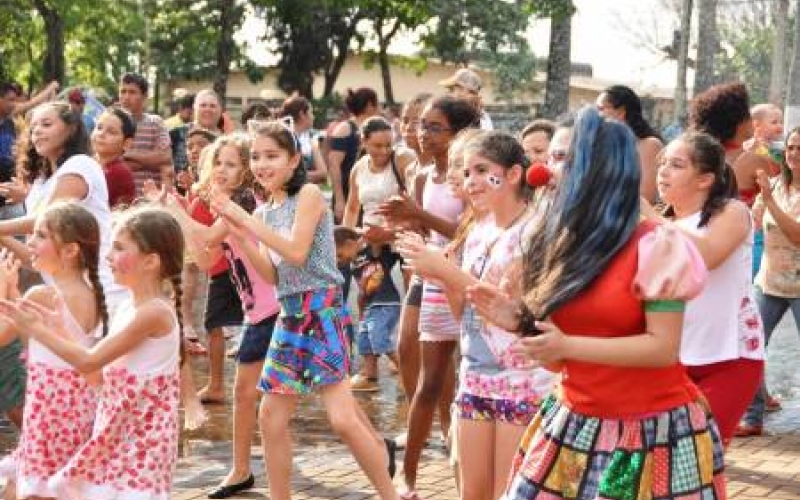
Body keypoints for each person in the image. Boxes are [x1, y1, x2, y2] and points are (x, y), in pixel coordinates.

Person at [467, 107, 725, 500]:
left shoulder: (656, 245)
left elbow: (662, 348)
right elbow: (557, 360)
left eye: (565, 159)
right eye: (550, 157)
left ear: (600, 169)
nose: (547, 172)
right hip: (574, 421)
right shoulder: (559, 243)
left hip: (649, 434)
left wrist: (568, 345)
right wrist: (521, 322)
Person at [211, 121, 399, 500]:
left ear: (294, 159)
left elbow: (297, 252)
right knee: (270, 416)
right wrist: (238, 231)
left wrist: (241, 217)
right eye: (256, 157)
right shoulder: (264, 213)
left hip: (324, 310)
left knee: (343, 420)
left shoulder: (310, 194)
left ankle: (390, 495)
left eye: (272, 156)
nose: (262, 164)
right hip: (290, 315)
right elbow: (272, 274)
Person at [397, 131, 555, 500]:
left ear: (514, 174)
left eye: (482, 170)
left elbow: (513, 310)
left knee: (508, 492)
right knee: (473, 493)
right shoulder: (478, 232)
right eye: (467, 172)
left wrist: (445, 269)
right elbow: (464, 313)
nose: (471, 182)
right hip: (475, 375)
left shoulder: (533, 231)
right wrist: (438, 273)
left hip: (522, 379)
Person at [0, 207, 184, 500]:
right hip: (116, 435)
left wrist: (37, 328)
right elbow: (95, 375)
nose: (109, 257)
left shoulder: (153, 313)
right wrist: (60, 329)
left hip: (141, 443)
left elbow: (89, 360)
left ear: (151, 261)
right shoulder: (127, 308)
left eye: (120, 248)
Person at [147, 133, 281, 498]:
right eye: (218, 162)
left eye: (232, 164)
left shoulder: (244, 201)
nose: (222, 169)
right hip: (259, 311)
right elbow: (207, 259)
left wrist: (175, 210)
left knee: (270, 396)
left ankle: (246, 470)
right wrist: (177, 212)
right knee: (248, 393)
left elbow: (206, 237)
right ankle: (240, 470)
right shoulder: (224, 204)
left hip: (275, 309)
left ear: (245, 171)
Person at [376, 96, 479, 497]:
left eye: (435, 127)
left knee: (463, 376)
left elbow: (465, 230)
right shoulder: (420, 175)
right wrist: (394, 230)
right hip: (430, 277)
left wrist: (416, 217)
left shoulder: (470, 175)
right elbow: (419, 231)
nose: (424, 133)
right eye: (422, 125)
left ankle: (459, 452)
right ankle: (410, 473)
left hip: (465, 277)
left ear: (458, 134)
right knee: (424, 374)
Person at [653, 130, 764, 447]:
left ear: (705, 179)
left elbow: (706, 256)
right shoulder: (658, 222)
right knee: (662, 456)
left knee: (699, 455)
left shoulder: (732, 211)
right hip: (671, 358)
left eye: (676, 164)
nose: (663, 171)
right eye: (663, 163)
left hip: (730, 357)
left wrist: (648, 217)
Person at [0, 202, 105, 500]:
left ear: (71, 250)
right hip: (79, 409)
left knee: (32, 490)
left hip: (49, 412)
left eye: (41, 236)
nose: (30, 242)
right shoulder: (92, 292)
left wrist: (3, 286)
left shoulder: (44, 295)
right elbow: (37, 334)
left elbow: (4, 335)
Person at [0, 101, 128, 311]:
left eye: (47, 124)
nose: (38, 131)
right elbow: (35, 259)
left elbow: (48, 220)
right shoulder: (42, 182)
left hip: (103, 289)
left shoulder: (80, 164)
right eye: (33, 128)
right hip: (68, 298)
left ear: (71, 129)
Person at [738, 126, 800, 436]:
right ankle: (752, 416)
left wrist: (769, 201)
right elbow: (751, 225)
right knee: (750, 346)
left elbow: (797, 236)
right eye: (791, 147)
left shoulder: (775, 192)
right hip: (769, 283)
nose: (794, 154)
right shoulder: (775, 185)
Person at [596, 84, 664, 203]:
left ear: (621, 112)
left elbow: (645, 196)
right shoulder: (603, 146)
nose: (596, 115)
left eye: (601, 109)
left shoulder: (649, 145)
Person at [328, 87, 380, 222]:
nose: (379, 108)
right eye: (377, 103)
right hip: (348, 194)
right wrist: (339, 200)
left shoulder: (376, 128)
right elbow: (334, 165)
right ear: (369, 105)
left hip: (369, 195)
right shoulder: (345, 128)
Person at [118, 73, 172, 194]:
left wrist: (128, 154)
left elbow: (165, 157)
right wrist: (151, 162)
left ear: (144, 96)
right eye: (123, 91)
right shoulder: (112, 124)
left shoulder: (156, 122)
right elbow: (109, 163)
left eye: (132, 92)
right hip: (119, 199)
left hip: (151, 199)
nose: (126, 97)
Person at [91, 106, 136, 208]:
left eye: (111, 132)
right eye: (99, 127)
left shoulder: (118, 172)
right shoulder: (88, 163)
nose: (101, 134)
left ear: (126, 144)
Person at [279, 94, 328, 184]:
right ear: (302, 114)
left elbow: (323, 175)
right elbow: (322, 174)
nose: (313, 117)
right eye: (311, 112)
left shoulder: (308, 137)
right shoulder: (285, 139)